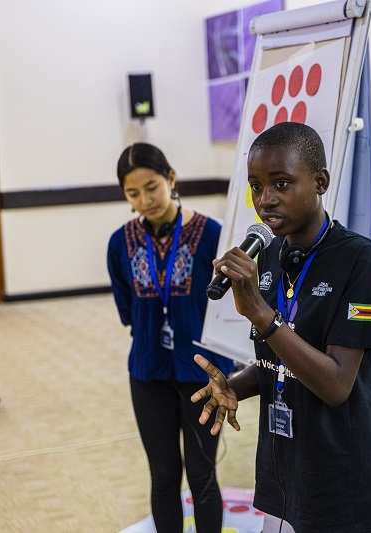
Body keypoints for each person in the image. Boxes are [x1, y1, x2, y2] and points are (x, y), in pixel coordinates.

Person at [190, 122, 371, 533]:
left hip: (343, 477)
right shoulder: (268, 252)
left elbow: (337, 384)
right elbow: (279, 364)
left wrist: (262, 315)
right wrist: (237, 385)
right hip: (283, 469)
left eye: (281, 184)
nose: (265, 200)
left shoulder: (360, 259)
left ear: (320, 182)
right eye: (256, 186)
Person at [107, 142, 233, 533]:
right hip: (147, 373)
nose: (144, 199)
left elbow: (228, 309)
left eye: (152, 186)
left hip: (203, 374)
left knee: (202, 474)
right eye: (133, 192)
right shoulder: (119, 243)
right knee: (163, 475)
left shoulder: (212, 234)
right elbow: (127, 309)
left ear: (171, 179)